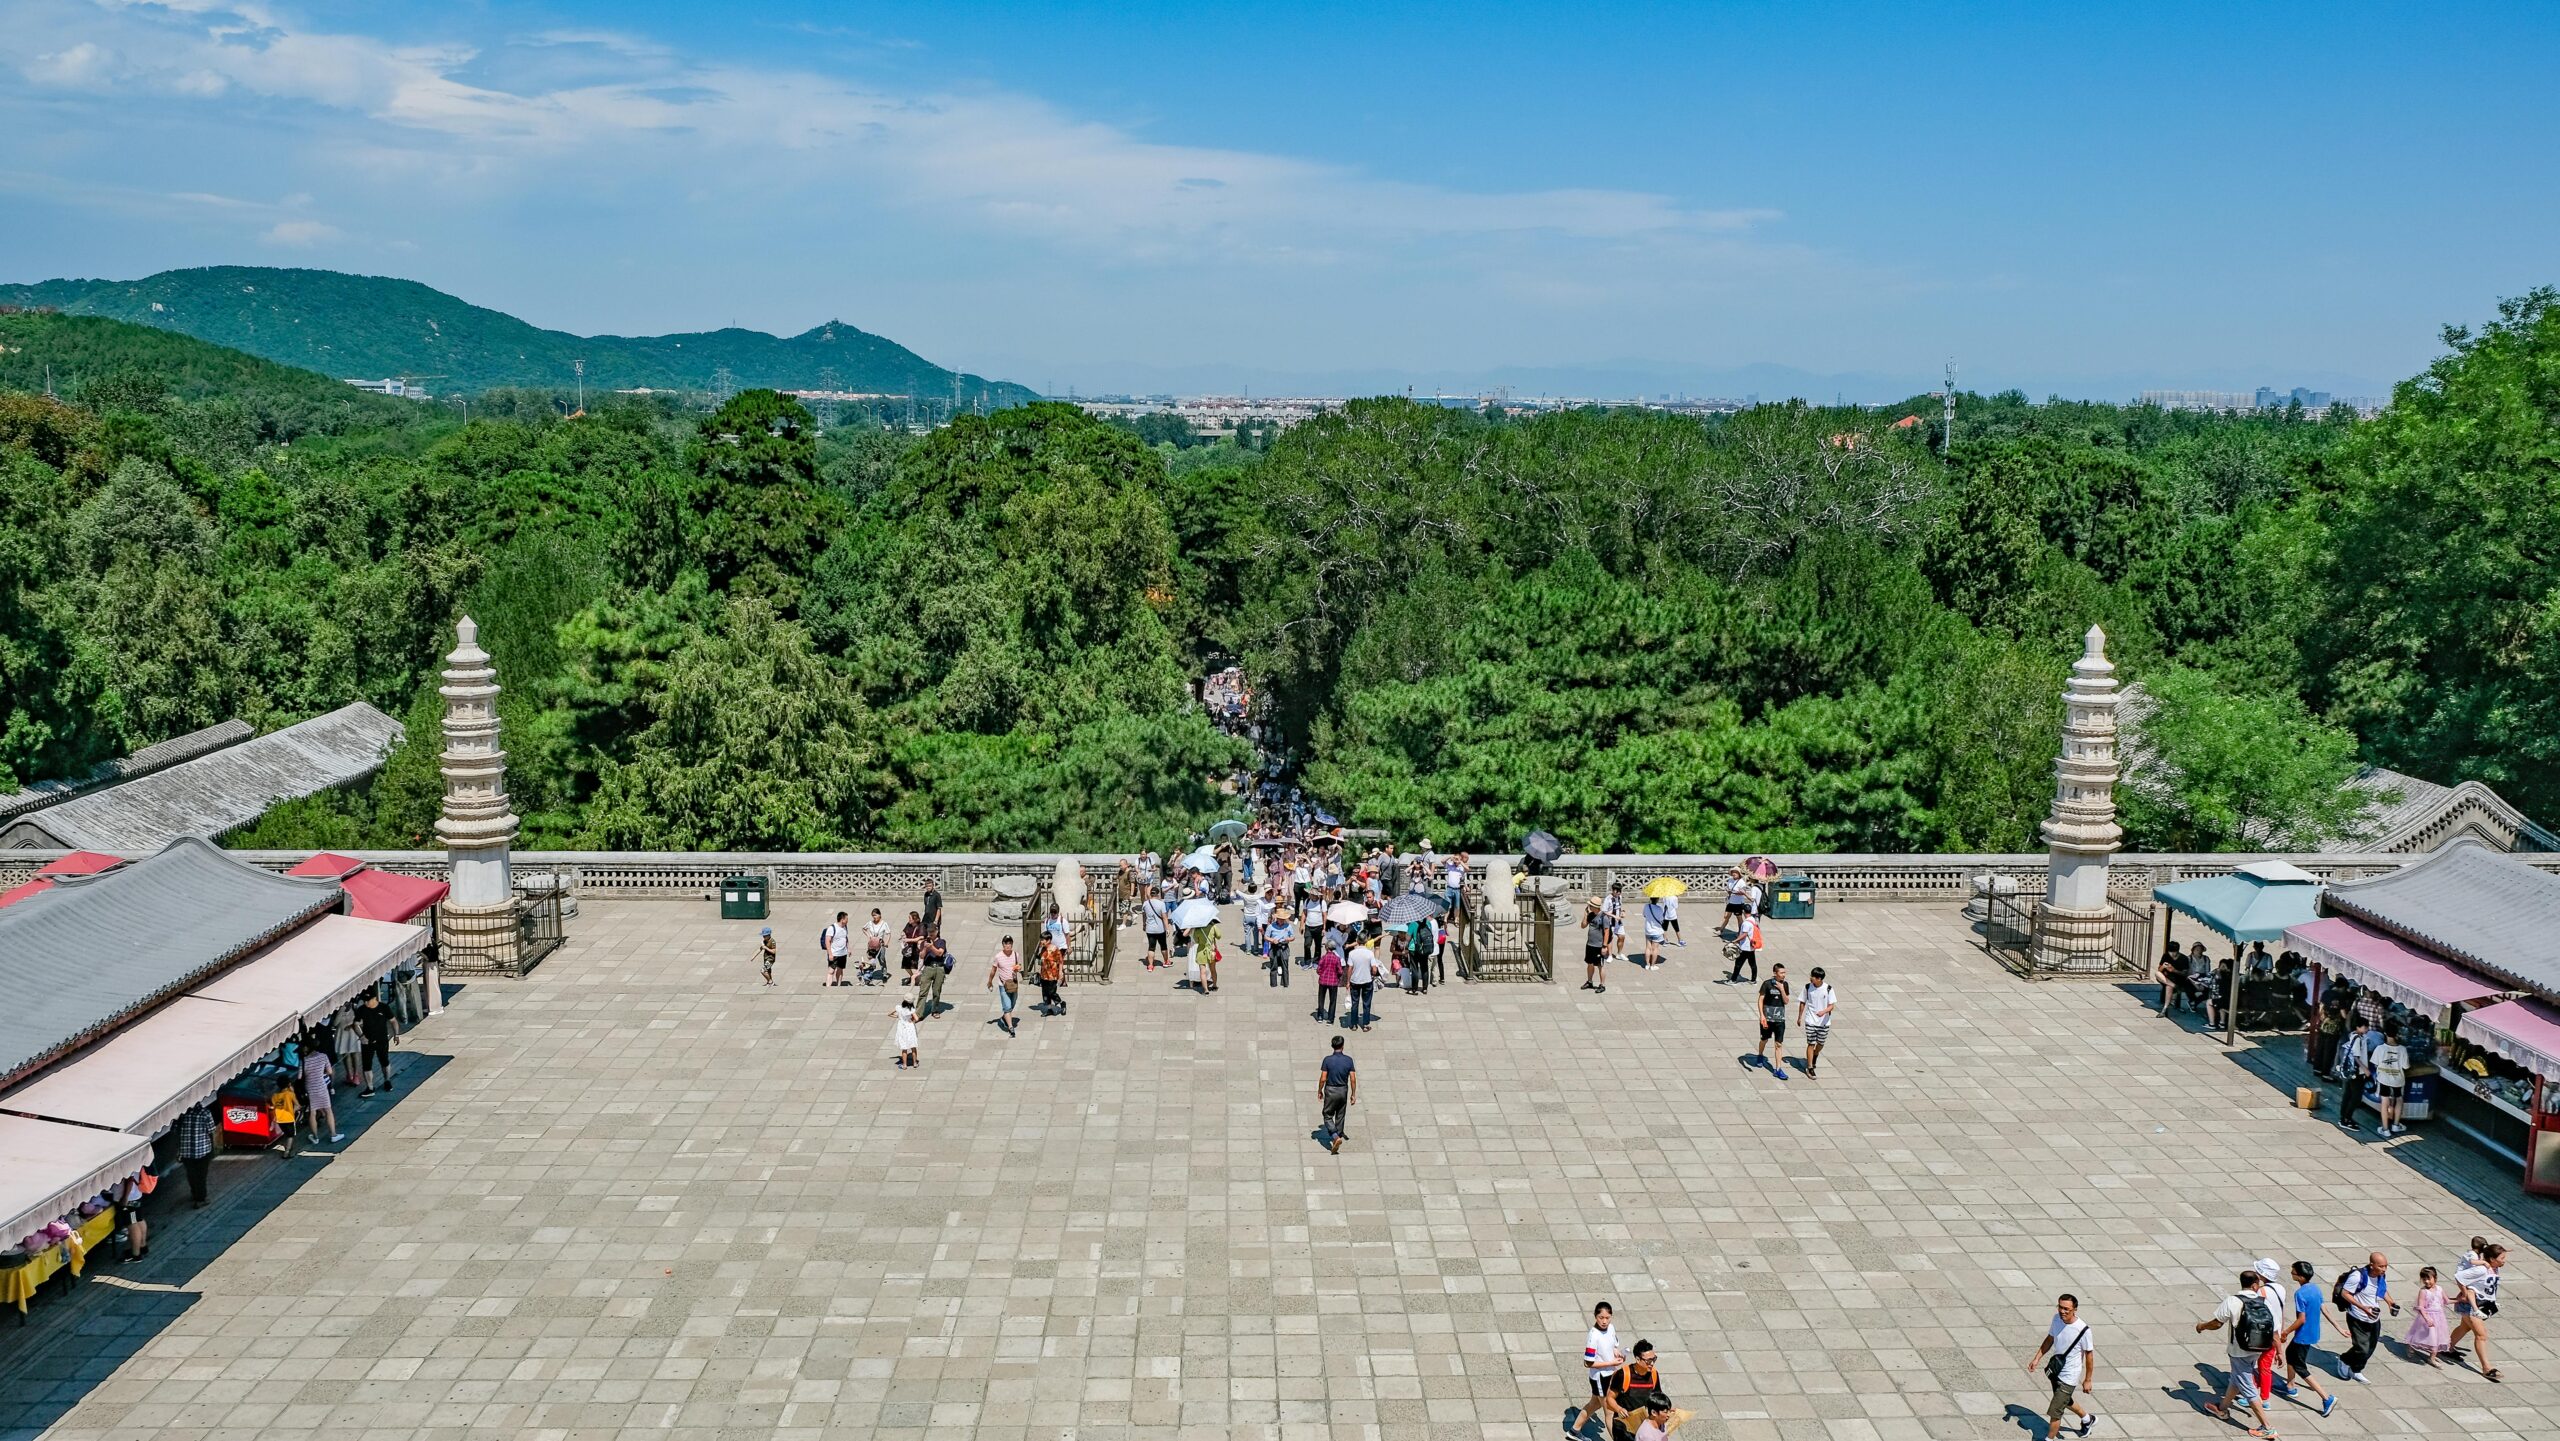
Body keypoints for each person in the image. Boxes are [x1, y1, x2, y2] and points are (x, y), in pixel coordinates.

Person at [2196, 1267, 2281, 1437]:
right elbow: (2274, 1329)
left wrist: (2202, 1326)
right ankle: (2221, 1409)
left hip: (2238, 1350)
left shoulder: (2233, 1301)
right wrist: (2279, 1350)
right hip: (2258, 1348)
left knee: (2248, 1388)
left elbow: (2217, 1323)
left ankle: (2267, 1427)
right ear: (2255, 1285)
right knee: (2236, 1378)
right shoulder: (2265, 1302)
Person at [2025, 1292, 2096, 1439]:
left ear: (2075, 1309)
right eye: (2060, 1307)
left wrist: (2088, 1379)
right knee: (2064, 1400)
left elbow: (2089, 1356)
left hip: (2070, 1375)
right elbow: (2050, 1338)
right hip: (2056, 1370)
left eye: (2066, 1309)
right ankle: (2088, 1419)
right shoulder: (2056, 1319)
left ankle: (2049, 1438)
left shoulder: (2083, 1330)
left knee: (2055, 1412)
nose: (2062, 1311)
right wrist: (2037, 1358)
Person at [2280, 1261, 2336, 1416]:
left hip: (2303, 1335)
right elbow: (2323, 1308)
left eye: (2293, 1272)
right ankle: (2290, 1385)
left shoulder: (2300, 1294)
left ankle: (2326, 1398)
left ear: (2300, 1276)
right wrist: (2338, 1327)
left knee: (2299, 1366)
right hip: (2313, 1333)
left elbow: (2301, 1319)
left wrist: (2286, 1332)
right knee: (2290, 1355)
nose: (2291, 1273)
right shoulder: (2315, 1289)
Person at [2333, 1251, 2396, 1382]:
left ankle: (2356, 1369)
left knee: (2371, 1347)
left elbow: (2382, 1290)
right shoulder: (2357, 1276)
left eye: (2386, 1266)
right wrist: (2363, 1307)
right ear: (2372, 1265)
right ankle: (2344, 1360)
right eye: (2381, 1266)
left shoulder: (2380, 1276)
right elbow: (2345, 1293)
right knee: (2362, 1347)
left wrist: (2390, 1303)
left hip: (2373, 1317)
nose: (2384, 1269)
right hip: (2357, 1317)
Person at [2446, 1244, 2504, 1380]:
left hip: (2482, 1305)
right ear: (2492, 1258)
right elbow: (2459, 1277)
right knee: (2481, 1335)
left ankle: (2446, 1348)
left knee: (2464, 1328)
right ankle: (2486, 1368)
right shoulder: (2482, 1270)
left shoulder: (2494, 1269)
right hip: (2471, 1307)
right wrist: (2466, 1294)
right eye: (2502, 1258)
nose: (2504, 1260)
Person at [1572, 1301, 1625, 1439]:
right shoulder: (1593, 1335)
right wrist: (1610, 1362)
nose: (1604, 1321)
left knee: (1594, 1404)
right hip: (1600, 1377)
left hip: (1610, 1373)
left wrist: (1617, 1352)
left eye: (1607, 1318)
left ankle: (1574, 1431)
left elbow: (1613, 1345)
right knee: (1610, 1412)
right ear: (1595, 1317)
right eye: (1601, 1318)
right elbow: (1588, 1363)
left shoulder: (1611, 1328)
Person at [2334, 1017, 2376, 1132]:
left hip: (2350, 1071)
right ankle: (2347, 1118)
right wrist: (2365, 1069)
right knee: (2356, 1097)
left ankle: (2344, 1118)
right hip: (2356, 1072)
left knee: (2348, 1094)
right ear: (2358, 1027)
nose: (2367, 1029)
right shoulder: (2358, 1039)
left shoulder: (2353, 1036)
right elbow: (2356, 1057)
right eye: (2365, 1027)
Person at [2402, 1265, 2450, 1365]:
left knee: (2437, 1337)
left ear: (2435, 1278)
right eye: (2424, 1279)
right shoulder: (2423, 1291)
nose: (2426, 1281)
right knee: (2422, 1334)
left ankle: (2432, 1357)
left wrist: (2459, 1300)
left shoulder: (2439, 1289)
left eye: (2429, 1278)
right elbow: (2421, 1306)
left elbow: (2447, 1300)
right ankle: (2412, 1346)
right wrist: (2426, 1318)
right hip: (2428, 1317)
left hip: (2439, 1317)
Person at [1317, 1035, 1356, 1154]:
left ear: (1332, 1046)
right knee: (1340, 1114)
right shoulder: (1348, 1060)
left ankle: (1335, 1137)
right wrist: (1353, 1094)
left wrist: (1319, 1090)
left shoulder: (1327, 1060)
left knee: (1327, 1114)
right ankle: (1338, 1136)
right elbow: (1353, 1078)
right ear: (1342, 1046)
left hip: (1330, 1090)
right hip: (1343, 1090)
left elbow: (1323, 1078)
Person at [2369, 1026, 2411, 1137]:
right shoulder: (2402, 1049)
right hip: (2398, 1080)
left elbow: (2375, 1063)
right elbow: (2406, 1066)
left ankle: (2385, 1128)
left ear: (2385, 1034)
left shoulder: (2380, 1048)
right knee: (2399, 1099)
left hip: (2383, 1079)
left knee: (2385, 1102)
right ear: (2397, 1034)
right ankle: (2396, 1125)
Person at [175, 1101, 217, 1209]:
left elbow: (175, 1129)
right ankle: (200, 1199)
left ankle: (195, 1193)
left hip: (186, 1151)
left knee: (191, 1174)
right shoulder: (205, 1113)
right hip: (202, 1150)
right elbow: (211, 1129)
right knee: (201, 1175)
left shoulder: (181, 1113)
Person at [1796, 967, 1837, 1078]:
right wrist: (1800, 1017)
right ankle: (1810, 1067)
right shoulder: (1807, 987)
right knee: (1811, 1043)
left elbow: (1832, 1005)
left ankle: (1816, 1054)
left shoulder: (1828, 989)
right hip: (1810, 1020)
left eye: (1813, 977)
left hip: (1824, 1022)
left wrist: (1823, 1012)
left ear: (1819, 979)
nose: (1811, 978)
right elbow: (1802, 1002)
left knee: (1820, 1043)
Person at [303, 1034, 342, 1144]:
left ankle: (315, 1137)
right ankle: (333, 1134)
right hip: (322, 1086)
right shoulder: (323, 1056)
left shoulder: (304, 1060)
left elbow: (301, 1076)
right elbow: (330, 1072)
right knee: (328, 1110)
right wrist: (321, 1073)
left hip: (310, 1087)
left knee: (313, 1112)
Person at [355, 991, 395, 1097]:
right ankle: (370, 1087)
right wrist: (362, 1036)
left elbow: (393, 1020)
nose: (366, 1003)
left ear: (375, 998)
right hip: (367, 1041)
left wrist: (396, 1034)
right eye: (364, 1001)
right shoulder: (362, 1010)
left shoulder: (383, 1007)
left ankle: (387, 1080)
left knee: (384, 1060)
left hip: (382, 1039)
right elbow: (356, 1024)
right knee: (367, 1064)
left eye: (368, 1000)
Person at [1753, 965, 1790, 1076]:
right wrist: (1762, 1016)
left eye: (1784, 973)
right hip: (1767, 1019)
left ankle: (1778, 1069)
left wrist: (1782, 989)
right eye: (1781, 972)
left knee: (1778, 1044)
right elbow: (1760, 1000)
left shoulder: (1785, 984)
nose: (1784, 975)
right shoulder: (1767, 984)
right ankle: (1760, 1055)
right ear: (1775, 973)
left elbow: (1786, 1001)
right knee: (1764, 1039)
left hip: (1780, 1019)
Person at [987, 937, 1021, 1037]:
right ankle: (1011, 1028)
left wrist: (1017, 968)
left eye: (1010, 943)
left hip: (1013, 984)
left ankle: (1004, 1018)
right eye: (1006, 943)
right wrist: (990, 981)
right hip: (1003, 985)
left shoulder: (1016, 954)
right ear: (1003, 944)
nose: (1008, 945)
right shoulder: (998, 957)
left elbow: (1018, 966)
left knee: (1012, 1004)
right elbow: (993, 970)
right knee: (1007, 1007)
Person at [915, 930, 950, 1017]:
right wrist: (925, 948)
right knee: (923, 991)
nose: (930, 934)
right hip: (928, 968)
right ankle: (918, 1014)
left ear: (936, 931)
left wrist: (931, 947)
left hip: (939, 968)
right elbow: (921, 956)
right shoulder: (924, 942)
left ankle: (935, 1010)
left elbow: (940, 953)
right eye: (929, 932)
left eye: (932, 932)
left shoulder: (941, 942)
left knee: (936, 991)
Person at [1346, 936, 1377, 1031]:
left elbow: (1350, 968)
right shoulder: (1370, 953)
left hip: (1355, 981)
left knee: (1355, 1003)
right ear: (1366, 941)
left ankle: (1354, 1024)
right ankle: (1365, 1024)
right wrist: (1372, 973)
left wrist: (1347, 982)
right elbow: (1374, 969)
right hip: (1367, 980)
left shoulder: (1352, 953)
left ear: (1357, 941)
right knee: (1366, 1003)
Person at [1727, 910, 1764, 984]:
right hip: (1751, 946)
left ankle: (1733, 980)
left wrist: (1736, 940)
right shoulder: (1753, 919)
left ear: (1744, 912)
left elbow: (1744, 935)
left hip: (1745, 947)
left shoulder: (1746, 923)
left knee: (1738, 964)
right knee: (1752, 964)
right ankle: (1753, 980)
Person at [1581, 899, 1609, 993]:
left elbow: (1606, 932)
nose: (1589, 907)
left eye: (1590, 906)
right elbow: (1583, 925)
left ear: (1595, 907)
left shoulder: (1603, 917)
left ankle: (1602, 984)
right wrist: (1585, 914)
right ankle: (1589, 981)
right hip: (1590, 944)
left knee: (1600, 965)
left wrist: (1604, 946)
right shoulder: (1591, 915)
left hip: (1599, 946)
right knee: (1590, 964)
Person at [269, 1075, 299, 1158]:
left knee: (286, 1134)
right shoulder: (290, 1094)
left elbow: (274, 1106)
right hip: (289, 1118)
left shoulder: (274, 1096)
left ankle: (288, 1147)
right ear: (289, 1084)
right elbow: (297, 1105)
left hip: (280, 1119)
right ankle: (287, 1152)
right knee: (291, 1135)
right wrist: (293, 1111)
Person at [1036, 939, 1067, 1016]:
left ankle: (1061, 1003)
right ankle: (1049, 1009)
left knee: (1051, 992)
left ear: (1048, 940)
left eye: (1042, 940)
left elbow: (1060, 961)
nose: (1041, 941)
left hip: (1052, 975)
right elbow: (1039, 959)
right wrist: (1038, 949)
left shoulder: (1054, 949)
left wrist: (1060, 972)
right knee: (1045, 994)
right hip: (1044, 975)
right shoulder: (1042, 949)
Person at [1142, 886, 1170, 969]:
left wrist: (1144, 925)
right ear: (1158, 894)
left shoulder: (1146, 903)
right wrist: (1167, 928)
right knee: (1163, 946)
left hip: (1150, 929)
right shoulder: (1161, 904)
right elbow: (1165, 917)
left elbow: (1144, 916)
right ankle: (1166, 962)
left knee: (1151, 947)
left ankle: (1150, 965)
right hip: (1160, 929)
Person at [1315, 942, 1344, 1023]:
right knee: (1332, 1000)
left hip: (1323, 981)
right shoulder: (1337, 958)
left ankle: (1320, 1016)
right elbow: (1340, 971)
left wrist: (1322, 974)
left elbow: (1318, 969)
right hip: (1333, 982)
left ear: (1327, 948)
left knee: (1321, 999)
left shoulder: (1324, 957)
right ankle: (1330, 1019)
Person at [821, 911, 851, 987]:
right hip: (834, 953)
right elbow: (827, 941)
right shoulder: (832, 928)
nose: (847, 920)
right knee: (831, 971)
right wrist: (830, 954)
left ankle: (838, 985)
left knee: (840, 970)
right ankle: (828, 986)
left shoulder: (845, 927)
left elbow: (845, 938)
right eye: (846, 918)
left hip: (843, 953)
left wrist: (848, 948)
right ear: (842, 919)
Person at [891, 999, 920, 1069]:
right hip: (910, 1027)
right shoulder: (911, 1010)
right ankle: (915, 1063)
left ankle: (904, 1065)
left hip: (902, 1028)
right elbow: (917, 1019)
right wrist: (911, 1021)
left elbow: (889, 1014)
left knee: (904, 1048)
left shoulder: (898, 1007)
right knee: (913, 1046)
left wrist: (899, 1017)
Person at [864, 908, 889, 984]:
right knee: (871, 960)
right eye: (873, 915)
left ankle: (884, 974)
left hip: (880, 944)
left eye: (875, 915)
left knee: (881, 959)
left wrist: (887, 943)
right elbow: (864, 929)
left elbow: (888, 933)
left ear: (879, 915)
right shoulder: (870, 923)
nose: (874, 917)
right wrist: (869, 936)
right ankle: (869, 975)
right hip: (872, 945)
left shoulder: (884, 924)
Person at [1640, 897, 1666, 968]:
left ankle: (1647, 964)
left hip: (1648, 930)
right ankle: (1652, 965)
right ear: (1657, 899)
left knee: (1648, 947)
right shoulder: (1659, 909)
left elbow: (1644, 915)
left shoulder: (1646, 906)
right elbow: (1661, 920)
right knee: (1655, 949)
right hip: (1657, 931)